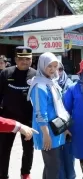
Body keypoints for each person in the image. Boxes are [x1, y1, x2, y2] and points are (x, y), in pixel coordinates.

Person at [27, 52, 70, 179]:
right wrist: (45, 135)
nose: (52, 69)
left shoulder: (51, 82)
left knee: (51, 165)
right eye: (49, 66)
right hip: (47, 130)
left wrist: (64, 128)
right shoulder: (39, 85)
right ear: (42, 66)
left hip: (56, 128)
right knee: (53, 165)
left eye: (55, 66)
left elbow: (59, 108)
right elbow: (40, 113)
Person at [0, 46, 36, 179]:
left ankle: (25, 173)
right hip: (8, 118)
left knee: (28, 150)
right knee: (3, 150)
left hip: (28, 119)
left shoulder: (35, 75)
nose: (25, 61)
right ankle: (3, 174)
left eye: (28, 59)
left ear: (31, 60)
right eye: (21, 59)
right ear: (16, 59)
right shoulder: (5, 73)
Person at [57, 65, 75, 179]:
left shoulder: (70, 85)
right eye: (54, 68)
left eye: (60, 69)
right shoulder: (47, 83)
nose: (57, 71)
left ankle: (71, 176)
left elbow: (73, 107)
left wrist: (67, 126)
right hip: (53, 125)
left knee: (69, 155)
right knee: (57, 157)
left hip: (68, 124)